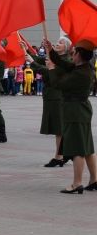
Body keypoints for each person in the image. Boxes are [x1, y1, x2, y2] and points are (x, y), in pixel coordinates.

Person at [46, 38, 97, 193]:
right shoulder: (83, 67)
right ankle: (94, 180)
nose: (71, 55)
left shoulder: (81, 74)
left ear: (79, 55)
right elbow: (64, 64)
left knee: (77, 149)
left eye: (74, 53)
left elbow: (58, 84)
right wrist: (50, 51)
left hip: (75, 112)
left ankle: (77, 183)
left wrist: (51, 70)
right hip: (80, 111)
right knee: (87, 148)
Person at [29, 36, 69, 167]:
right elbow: (41, 59)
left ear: (67, 47)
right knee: (59, 129)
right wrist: (27, 50)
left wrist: (32, 62)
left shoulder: (65, 60)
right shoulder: (57, 58)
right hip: (51, 96)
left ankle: (59, 157)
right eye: (57, 42)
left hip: (57, 97)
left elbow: (48, 72)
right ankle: (65, 154)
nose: (58, 44)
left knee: (59, 129)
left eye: (61, 43)